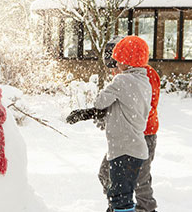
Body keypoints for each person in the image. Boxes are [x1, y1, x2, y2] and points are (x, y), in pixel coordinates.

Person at [66, 35, 153, 212]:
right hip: (137, 149)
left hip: (123, 150)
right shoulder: (145, 82)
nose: (115, 64)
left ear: (126, 62)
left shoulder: (122, 81)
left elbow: (100, 102)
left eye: (118, 59)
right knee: (124, 194)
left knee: (120, 198)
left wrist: (87, 111)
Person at [97, 37, 161, 212]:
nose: (115, 69)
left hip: (143, 134)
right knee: (105, 172)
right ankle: (118, 203)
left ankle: (145, 209)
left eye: (117, 63)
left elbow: (144, 106)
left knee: (141, 180)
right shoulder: (124, 76)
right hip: (125, 138)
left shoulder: (145, 76)